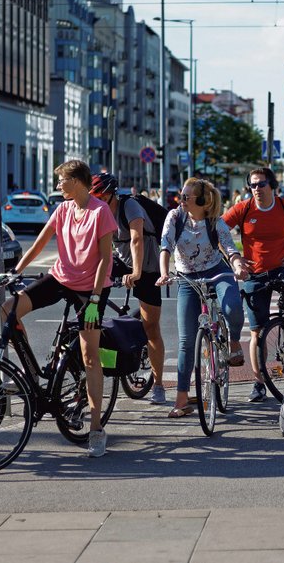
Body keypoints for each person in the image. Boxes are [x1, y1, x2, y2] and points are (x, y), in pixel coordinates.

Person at [5, 160, 117, 457]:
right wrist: (15, 271)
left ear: (77, 182)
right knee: (8, 309)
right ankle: (30, 374)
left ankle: (96, 429)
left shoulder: (100, 211)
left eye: (61, 181)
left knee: (90, 356)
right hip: (60, 278)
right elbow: (39, 244)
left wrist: (94, 299)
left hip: (91, 290)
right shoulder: (63, 209)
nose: (57, 186)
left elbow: (106, 258)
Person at [223, 167, 284, 402]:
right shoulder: (244, 208)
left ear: (272, 185)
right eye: (252, 185)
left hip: (283, 268)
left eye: (261, 184)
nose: (256, 189)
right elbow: (218, 231)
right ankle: (259, 384)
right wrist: (234, 258)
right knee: (257, 331)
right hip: (254, 274)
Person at [157, 178, 248, 417]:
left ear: (202, 202)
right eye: (181, 195)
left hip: (217, 272)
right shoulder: (175, 217)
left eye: (186, 197)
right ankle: (182, 400)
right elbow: (165, 245)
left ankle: (234, 342)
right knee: (186, 342)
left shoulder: (214, 222)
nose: (181, 200)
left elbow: (230, 248)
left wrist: (238, 266)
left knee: (232, 308)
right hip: (187, 277)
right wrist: (164, 273)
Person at [89, 173, 167, 405]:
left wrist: (137, 273)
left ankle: (159, 385)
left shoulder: (130, 205)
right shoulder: (98, 211)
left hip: (148, 263)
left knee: (151, 326)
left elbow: (136, 240)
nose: (98, 200)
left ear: (112, 194)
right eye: (95, 197)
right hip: (122, 260)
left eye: (101, 196)